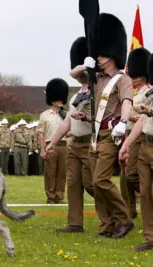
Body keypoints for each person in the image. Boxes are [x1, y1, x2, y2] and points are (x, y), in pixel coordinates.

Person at [70, 13, 134, 238]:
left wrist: (124, 122)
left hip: (110, 133)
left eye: (101, 55)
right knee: (94, 184)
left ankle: (124, 219)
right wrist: (83, 65)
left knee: (100, 179)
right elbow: (74, 74)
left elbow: (127, 102)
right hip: (96, 134)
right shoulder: (97, 78)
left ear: (112, 56)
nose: (98, 58)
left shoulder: (123, 80)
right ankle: (106, 225)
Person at [45, 36, 94, 232]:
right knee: (73, 184)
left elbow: (98, 119)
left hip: (90, 143)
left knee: (92, 184)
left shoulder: (97, 93)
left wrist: (86, 118)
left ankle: (115, 216)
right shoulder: (75, 96)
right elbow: (67, 123)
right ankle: (75, 223)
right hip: (74, 144)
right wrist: (52, 142)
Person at [119, 52, 153, 251]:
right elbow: (142, 121)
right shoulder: (150, 94)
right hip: (145, 145)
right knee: (146, 194)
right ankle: (150, 239)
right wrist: (127, 144)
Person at [39, 78, 69, 203]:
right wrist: (42, 149)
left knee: (62, 173)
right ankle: (50, 196)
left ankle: (59, 196)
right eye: (57, 98)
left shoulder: (66, 115)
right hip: (50, 145)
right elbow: (41, 134)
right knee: (50, 173)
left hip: (64, 146)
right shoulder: (44, 115)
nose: (60, 100)